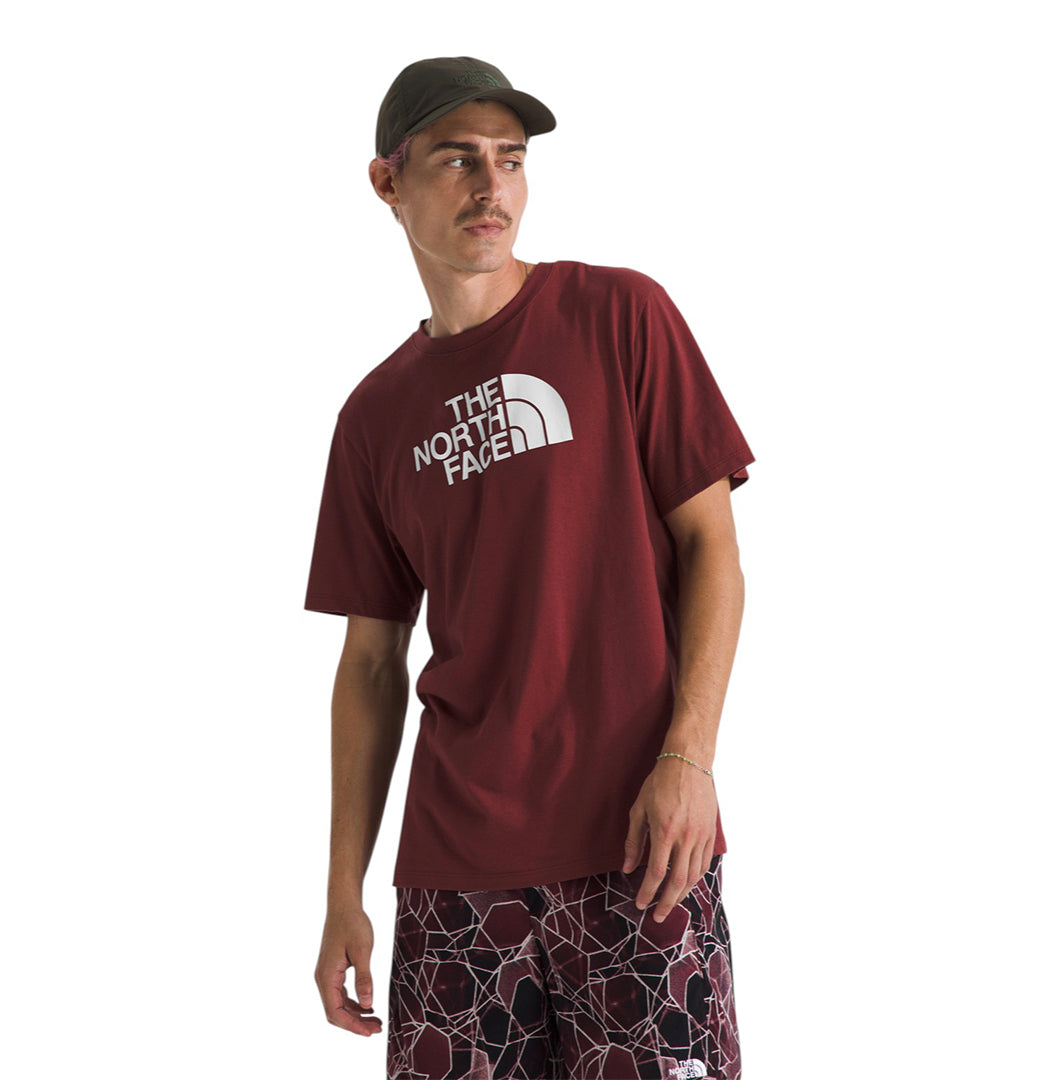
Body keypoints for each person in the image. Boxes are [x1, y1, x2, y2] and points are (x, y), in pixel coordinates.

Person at [306, 55, 754, 1080]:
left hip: (641, 846)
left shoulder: (620, 316)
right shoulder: (374, 418)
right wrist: (342, 891)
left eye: (509, 160)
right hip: (455, 873)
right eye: (457, 159)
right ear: (387, 182)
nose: (491, 186)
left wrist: (690, 759)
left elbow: (713, 549)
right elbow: (370, 662)